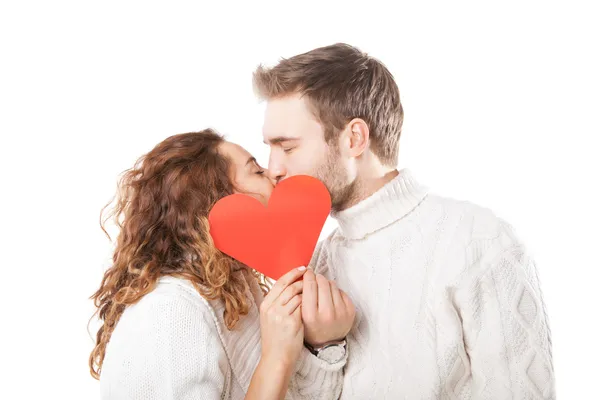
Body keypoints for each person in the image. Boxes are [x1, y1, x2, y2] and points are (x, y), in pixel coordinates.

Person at [254, 43, 555, 399]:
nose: (273, 168)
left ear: (354, 138)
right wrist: (324, 349)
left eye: (287, 148)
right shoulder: (317, 264)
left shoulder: (480, 242)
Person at [89, 129, 355, 399]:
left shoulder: (236, 293)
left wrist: (324, 344)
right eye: (256, 171)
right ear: (212, 200)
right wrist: (277, 358)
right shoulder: (168, 312)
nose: (274, 173)